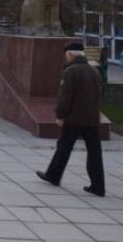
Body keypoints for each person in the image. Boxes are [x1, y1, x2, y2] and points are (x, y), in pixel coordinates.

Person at [37, 43, 105, 197]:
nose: (66, 58)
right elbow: (98, 97)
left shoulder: (70, 71)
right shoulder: (94, 71)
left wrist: (60, 115)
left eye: (66, 56)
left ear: (71, 55)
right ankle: (98, 186)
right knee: (94, 153)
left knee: (63, 148)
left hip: (74, 119)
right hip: (92, 119)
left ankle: (53, 176)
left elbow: (65, 97)